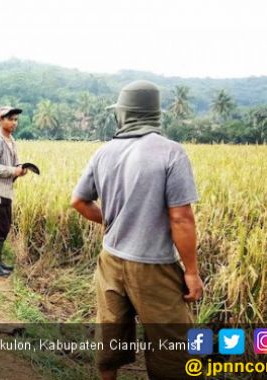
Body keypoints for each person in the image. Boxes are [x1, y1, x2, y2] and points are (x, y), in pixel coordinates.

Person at [70, 80, 203, 380]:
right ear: (154, 114)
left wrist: (114, 221)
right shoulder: (171, 152)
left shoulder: (104, 153)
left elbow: (78, 201)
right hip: (154, 266)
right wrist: (192, 272)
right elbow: (181, 217)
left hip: (111, 260)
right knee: (171, 346)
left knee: (111, 332)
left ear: (124, 114)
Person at [0, 106, 27, 277]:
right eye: (10, 119)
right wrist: (12, 171)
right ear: (0, 120)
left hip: (6, 190)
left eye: (16, 119)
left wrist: (20, 170)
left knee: (5, 226)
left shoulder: (11, 140)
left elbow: (14, 165)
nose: (14, 122)